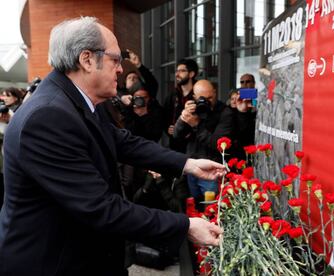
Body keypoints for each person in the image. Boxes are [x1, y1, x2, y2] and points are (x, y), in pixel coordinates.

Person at [0, 17, 224, 276]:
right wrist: (184, 225)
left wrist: (187, 164)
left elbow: (121, 141)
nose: (121, 69)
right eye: (115, 60)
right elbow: (100, 207)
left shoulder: (72, 101)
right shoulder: (49, 116)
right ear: (86, 59)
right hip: (53, 263)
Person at [174, 80, 234, 204]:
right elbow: (176, 135)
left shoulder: (225, 112)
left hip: (211, 171)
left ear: (215, 93)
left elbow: (217, 144)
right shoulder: (193, 110)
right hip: (192, 167)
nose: (207, 101)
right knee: (194, 207)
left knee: (210, 209)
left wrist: (196, 124)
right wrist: (183, 117)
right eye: (203, 98)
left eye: (210, 97)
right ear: (195, 97)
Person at [164, 58, 199, 153]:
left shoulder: (199, 95)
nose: (177, 74)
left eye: (182, 71)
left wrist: (191, 132)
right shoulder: (172, 95)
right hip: (174, 146)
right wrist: (167, 128)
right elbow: (164, 116)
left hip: (194, 146)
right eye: (177, 71)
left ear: (191, 74)